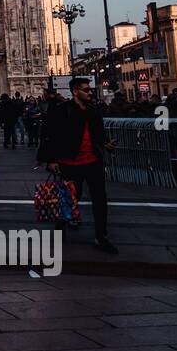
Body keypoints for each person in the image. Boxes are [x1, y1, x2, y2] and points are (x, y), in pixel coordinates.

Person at [38, 76, 119, 254]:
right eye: (86, 89)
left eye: (89, 89)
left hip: (93, 161)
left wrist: (106, 144)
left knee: (100, 200)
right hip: (70, 162)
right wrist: (51, 160)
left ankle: (101, 236)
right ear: (75, 91)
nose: (90, 92)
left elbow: (98, 133)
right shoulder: (62, 110)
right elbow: (50, 134)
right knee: (69, 198)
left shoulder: (93, 110)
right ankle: (60, 228)